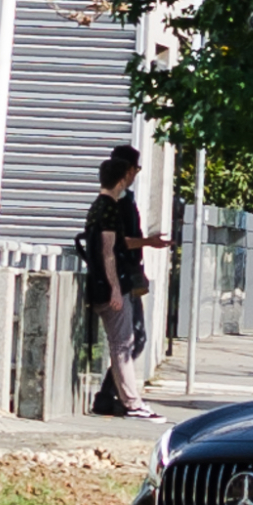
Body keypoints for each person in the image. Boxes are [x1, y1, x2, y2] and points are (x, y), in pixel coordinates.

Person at [84, 147, 168, 421]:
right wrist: (116, 290)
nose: (134, 176)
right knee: (124, 343)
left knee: (126, 341)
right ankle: (130, 402)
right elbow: (110, 251)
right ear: (123, 175)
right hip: (113, 284)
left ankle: (124, 398)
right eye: (133, 171)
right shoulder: (110, 208)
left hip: (107, 283)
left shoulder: (100, 206)